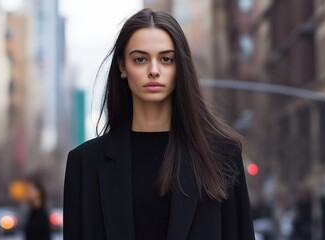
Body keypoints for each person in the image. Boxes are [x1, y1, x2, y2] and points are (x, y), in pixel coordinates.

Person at [64, 8, 255, 240]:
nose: (153, 71)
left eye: (166, 59)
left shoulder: (222, 157)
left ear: (180, 67)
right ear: (123, 67)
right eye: (140, 59)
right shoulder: (85, 164)